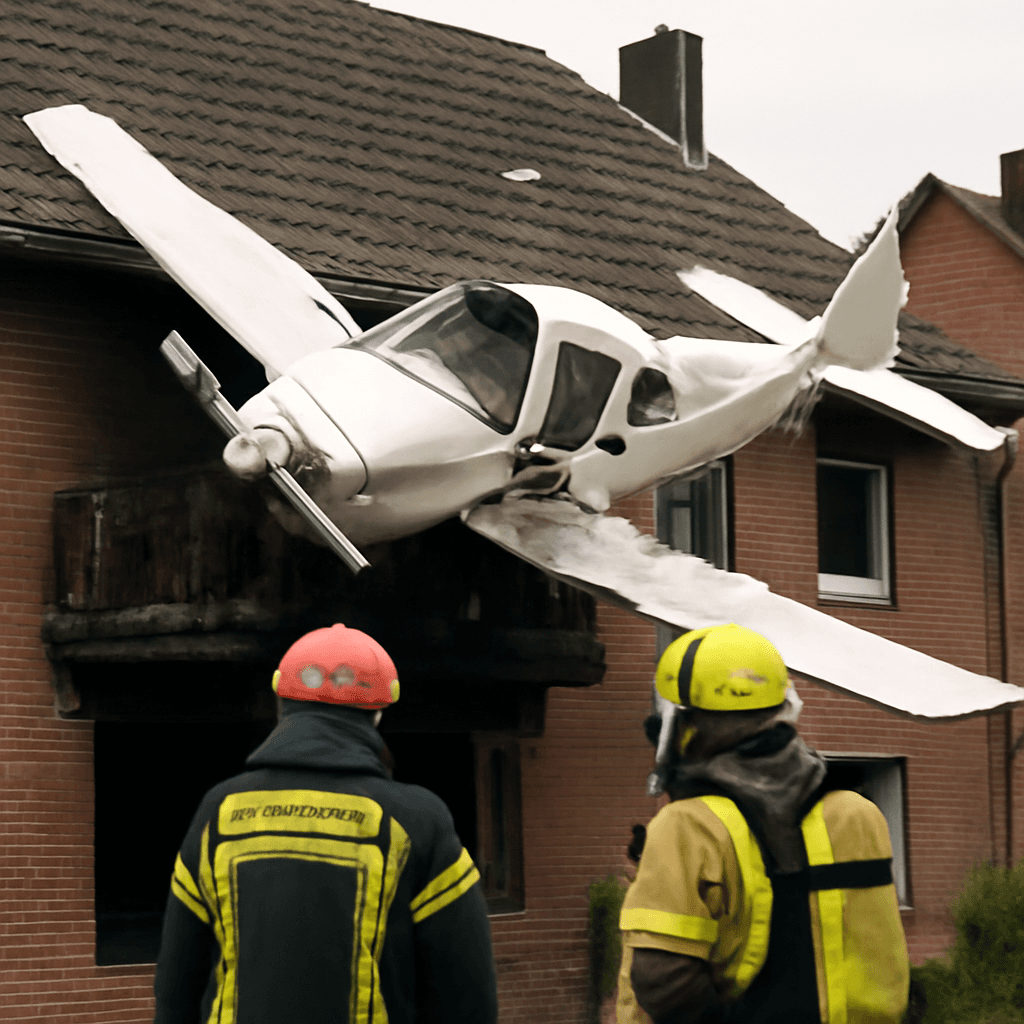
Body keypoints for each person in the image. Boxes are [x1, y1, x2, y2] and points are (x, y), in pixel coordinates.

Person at [154, 623, 498, 1024]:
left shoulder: (219, 812)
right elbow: (466, 995)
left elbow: (177, 982)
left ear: (282, 702)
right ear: (379, 713)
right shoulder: (418, 821)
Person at [617, 623, 909, 1024]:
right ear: (783, 709)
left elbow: (664, 985)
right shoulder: (859, 813)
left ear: (680, 722)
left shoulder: (686, 827)